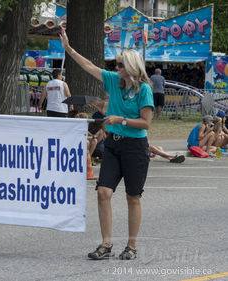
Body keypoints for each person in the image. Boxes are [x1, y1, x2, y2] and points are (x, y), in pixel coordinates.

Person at [60, 28, 154, 260]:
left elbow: (145, 123)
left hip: (135, 147)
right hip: (113, 145)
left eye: (120, 65)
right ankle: (106, 244)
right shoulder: (114, 81)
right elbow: (89, 67)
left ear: (131, 67)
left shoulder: (144, 90)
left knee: (133, 196)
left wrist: (121, 119)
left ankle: (131, 245)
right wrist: (68, 48)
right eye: (116, 64)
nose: (116, 68)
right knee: (103, 192)